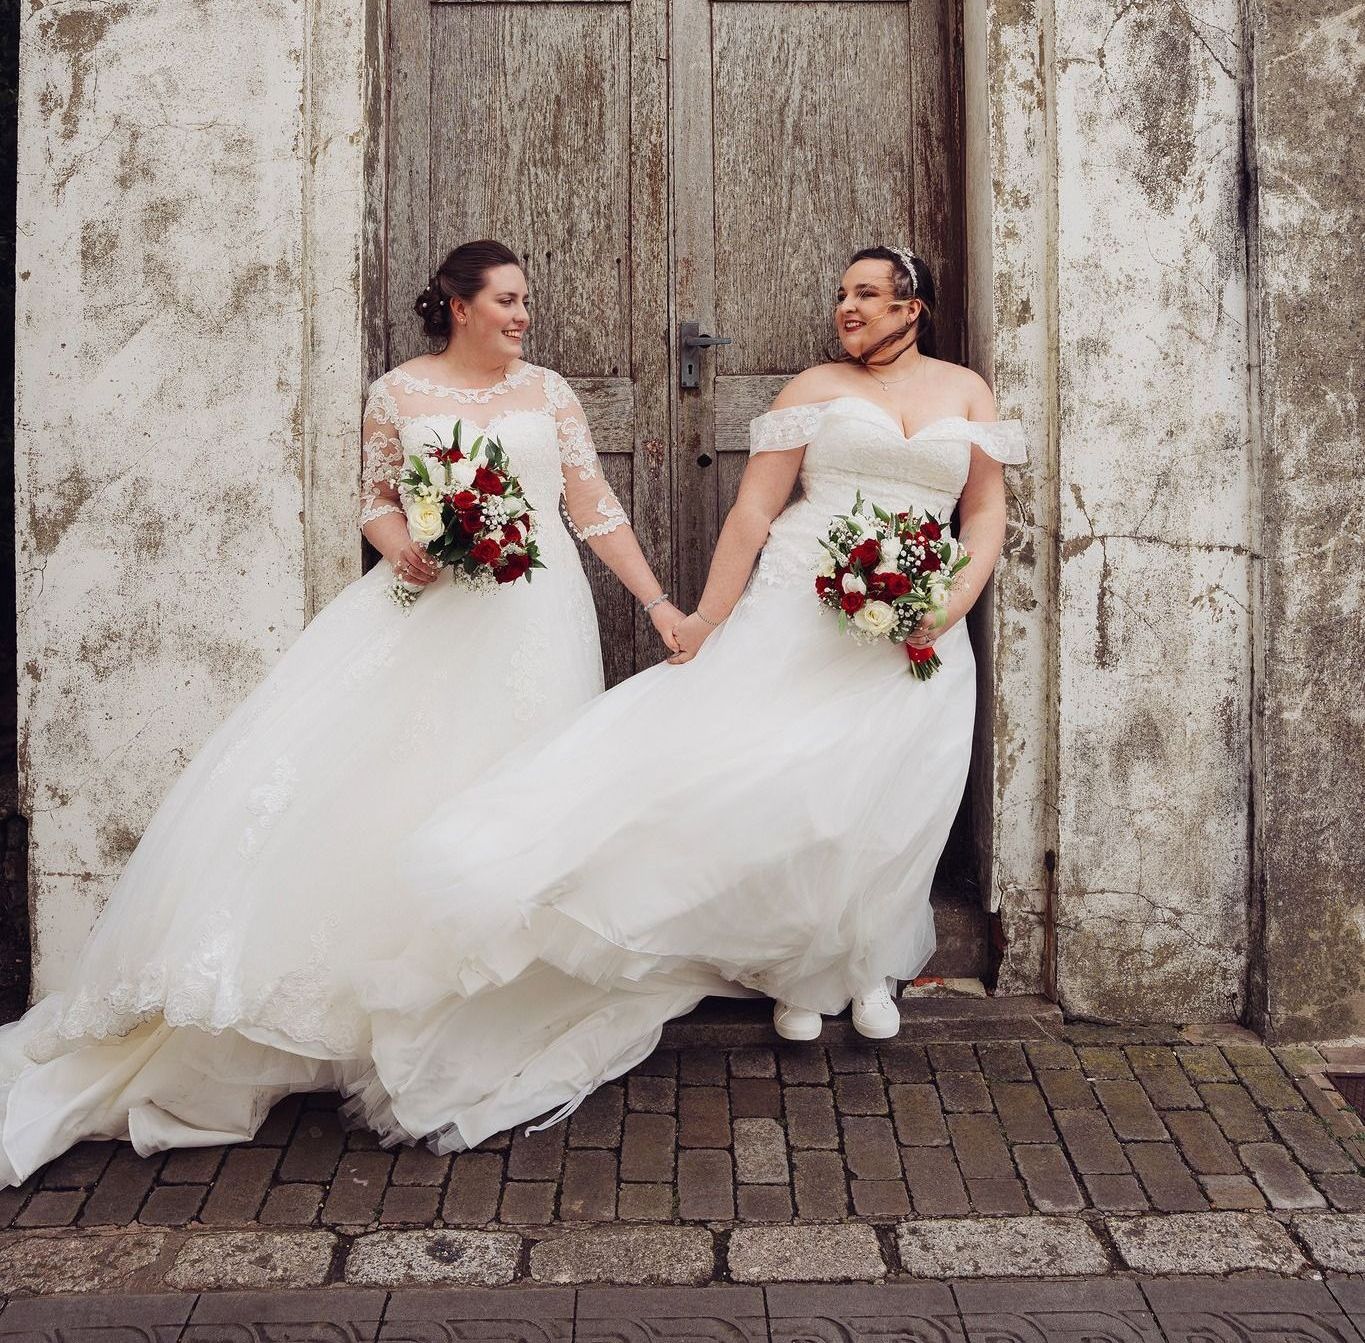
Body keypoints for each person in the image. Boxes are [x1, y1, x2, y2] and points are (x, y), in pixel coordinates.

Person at [0, 239, 681, 1186]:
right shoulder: (396, 392)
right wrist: (405, 545)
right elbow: (374, 501)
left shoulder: (550, 393)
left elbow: (593, 507)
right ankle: (359, 1008)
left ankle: (486, 1004)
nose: (524, 316)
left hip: (534, 616)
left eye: (526, 301)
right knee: (395, 787)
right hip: (432, 615)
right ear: (456, 304)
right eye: (509, 301)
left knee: (515, 801)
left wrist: (656, 606)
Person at [339, 245, 1028, 1154]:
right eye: (839, 293)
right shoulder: (811, 387)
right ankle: (795, 968)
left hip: (921, 614)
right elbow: (751, 513)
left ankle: (863, 965)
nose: (845, 308)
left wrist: (949, 603)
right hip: (805, 599)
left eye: (865, 293)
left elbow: (983, 512)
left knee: (896, 780)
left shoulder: (968, 392)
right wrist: (704, 615)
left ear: (914, 307)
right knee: (778, 782)